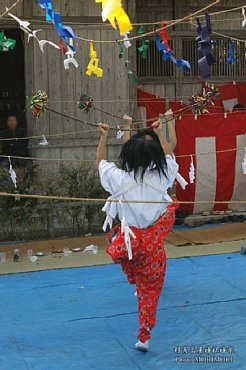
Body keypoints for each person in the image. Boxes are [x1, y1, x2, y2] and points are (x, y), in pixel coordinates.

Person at [96, 111, 179, 351]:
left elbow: (101, 164)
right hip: (152, 243)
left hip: (130, 241)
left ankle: (132, 274)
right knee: (149, 292)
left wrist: (103, 137)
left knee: (116, 241)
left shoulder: (121, 180)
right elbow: (169, 156)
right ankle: (144, 336)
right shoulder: (162, 177)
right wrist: (160, 132)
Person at [0, 114, 32, 191]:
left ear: (17, 122)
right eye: (10, 121)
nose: (12, 122)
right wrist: (15, 142)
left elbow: (23, 146)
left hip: (21, 157)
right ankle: (7, 190)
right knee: (3, 167)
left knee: (29, 165)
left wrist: (11, 144)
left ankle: (27, 188)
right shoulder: (3, 133)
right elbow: (4, 146)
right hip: (8, 158)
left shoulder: (22, 131)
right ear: (7, 123)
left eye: (13, 120)